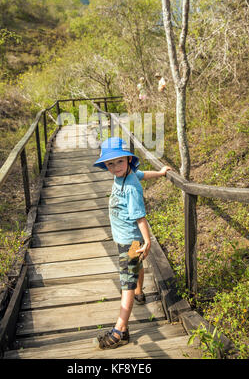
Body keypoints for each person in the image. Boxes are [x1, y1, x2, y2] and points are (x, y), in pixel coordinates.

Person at [92, 137, 171, 349]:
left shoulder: (131, 188)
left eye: (119, 162)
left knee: (125, 284)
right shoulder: (128, 174)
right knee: (135, 270)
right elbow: (144, 174)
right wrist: (161, 173)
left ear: (128, 159)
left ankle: (121, 329)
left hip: (130, 242)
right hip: (127, 239)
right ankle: (139, 291)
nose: (115, 167)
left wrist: (147, 241)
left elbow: (140, 218)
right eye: (110, 164)